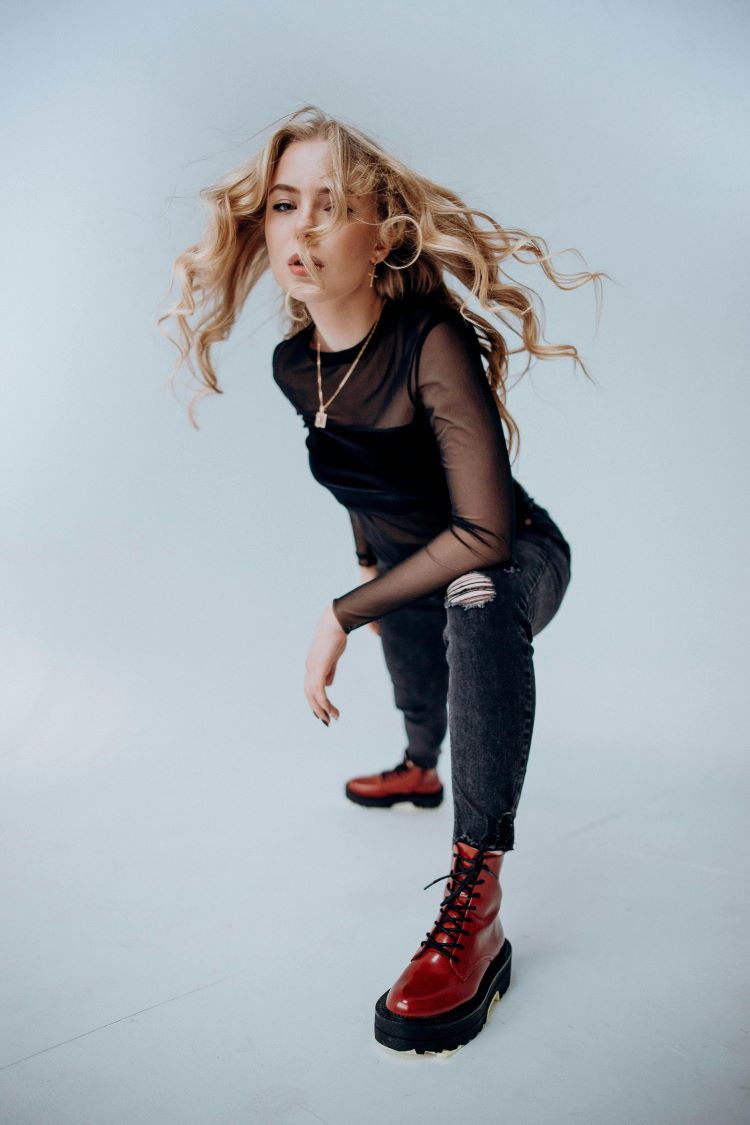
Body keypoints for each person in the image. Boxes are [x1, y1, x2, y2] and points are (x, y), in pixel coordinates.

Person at [157, 105, 606, 1055]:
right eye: (285, 204)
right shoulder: (295, 366)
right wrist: (369, 573)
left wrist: (339, 611)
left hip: (516, 554)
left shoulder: (429, 342)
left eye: (332, 204)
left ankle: (474, 908)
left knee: (466, 593)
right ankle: (417, 765)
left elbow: (482, 531)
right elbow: (359, 473)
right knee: (404, 593)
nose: (303, 227)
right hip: (415, 559)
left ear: (384, 236)